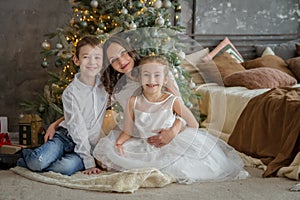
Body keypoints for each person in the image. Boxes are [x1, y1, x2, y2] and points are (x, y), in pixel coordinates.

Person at [93, 55, 248, 184]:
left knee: (184, 165)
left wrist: (173, 130)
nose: (151, 79)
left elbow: (192, 123)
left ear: (165, 79)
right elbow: (128, 129)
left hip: (170, 142)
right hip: (144, 142)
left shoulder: (171, 100)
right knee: (111, 155)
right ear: (140, 78)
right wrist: (119, 143)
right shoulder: (133, 101)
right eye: (146, 75)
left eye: (157, 75)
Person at [45, 35, 184, 148]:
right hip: (140, 136)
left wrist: (172, 132)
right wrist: (55, 124)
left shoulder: (156, 73)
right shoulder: (117, 90)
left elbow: (183, 112)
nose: (122, 61)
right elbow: (84, 109)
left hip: (169, 131)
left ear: (130, 51)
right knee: (106, 154)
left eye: (123, 53)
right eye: (114, 60)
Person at [17, 36, 108, 176]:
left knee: (65, 168)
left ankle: (44, 157)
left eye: (97, 57)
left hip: (86, 146)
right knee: (38, 162)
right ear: (76, 60)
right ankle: (25, 155)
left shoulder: (106, 87)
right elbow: (77, 128)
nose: (92, 62)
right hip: (65, 137)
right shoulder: (71, 93)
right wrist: (89, 163)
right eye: (86, 57)